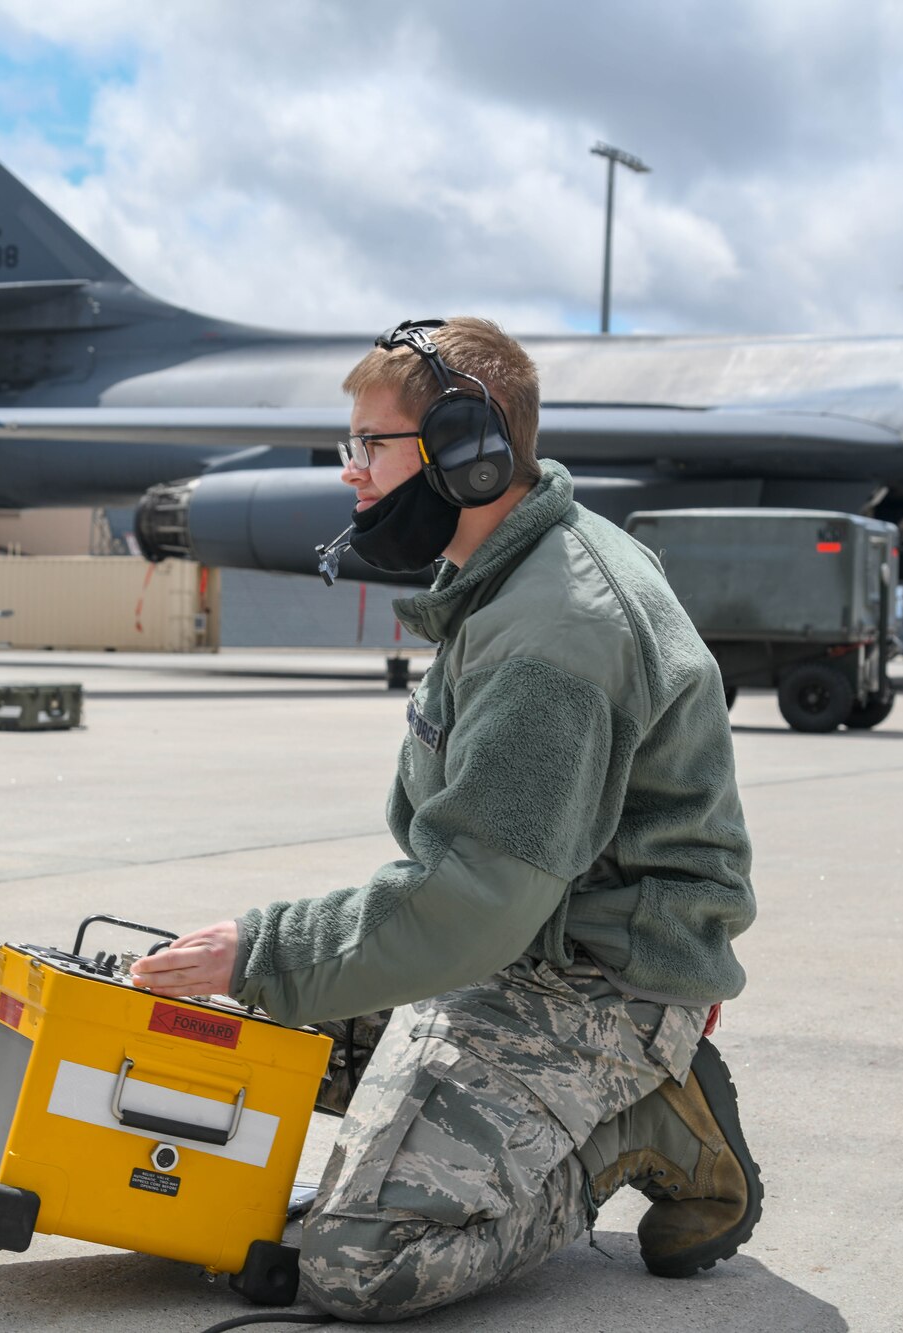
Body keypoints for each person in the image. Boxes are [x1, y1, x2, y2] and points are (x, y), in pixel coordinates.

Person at [131, 317, 759, 1321]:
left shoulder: (555, 629)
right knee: (205, 1014)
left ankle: (633, 1119)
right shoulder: (501, 580)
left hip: (594, 982)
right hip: (518, 937)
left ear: (465, 451)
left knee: (358, 1261)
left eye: (366, 445)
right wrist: (255, 964)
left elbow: (471, 902)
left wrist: (265, 943)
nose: (349, 474)